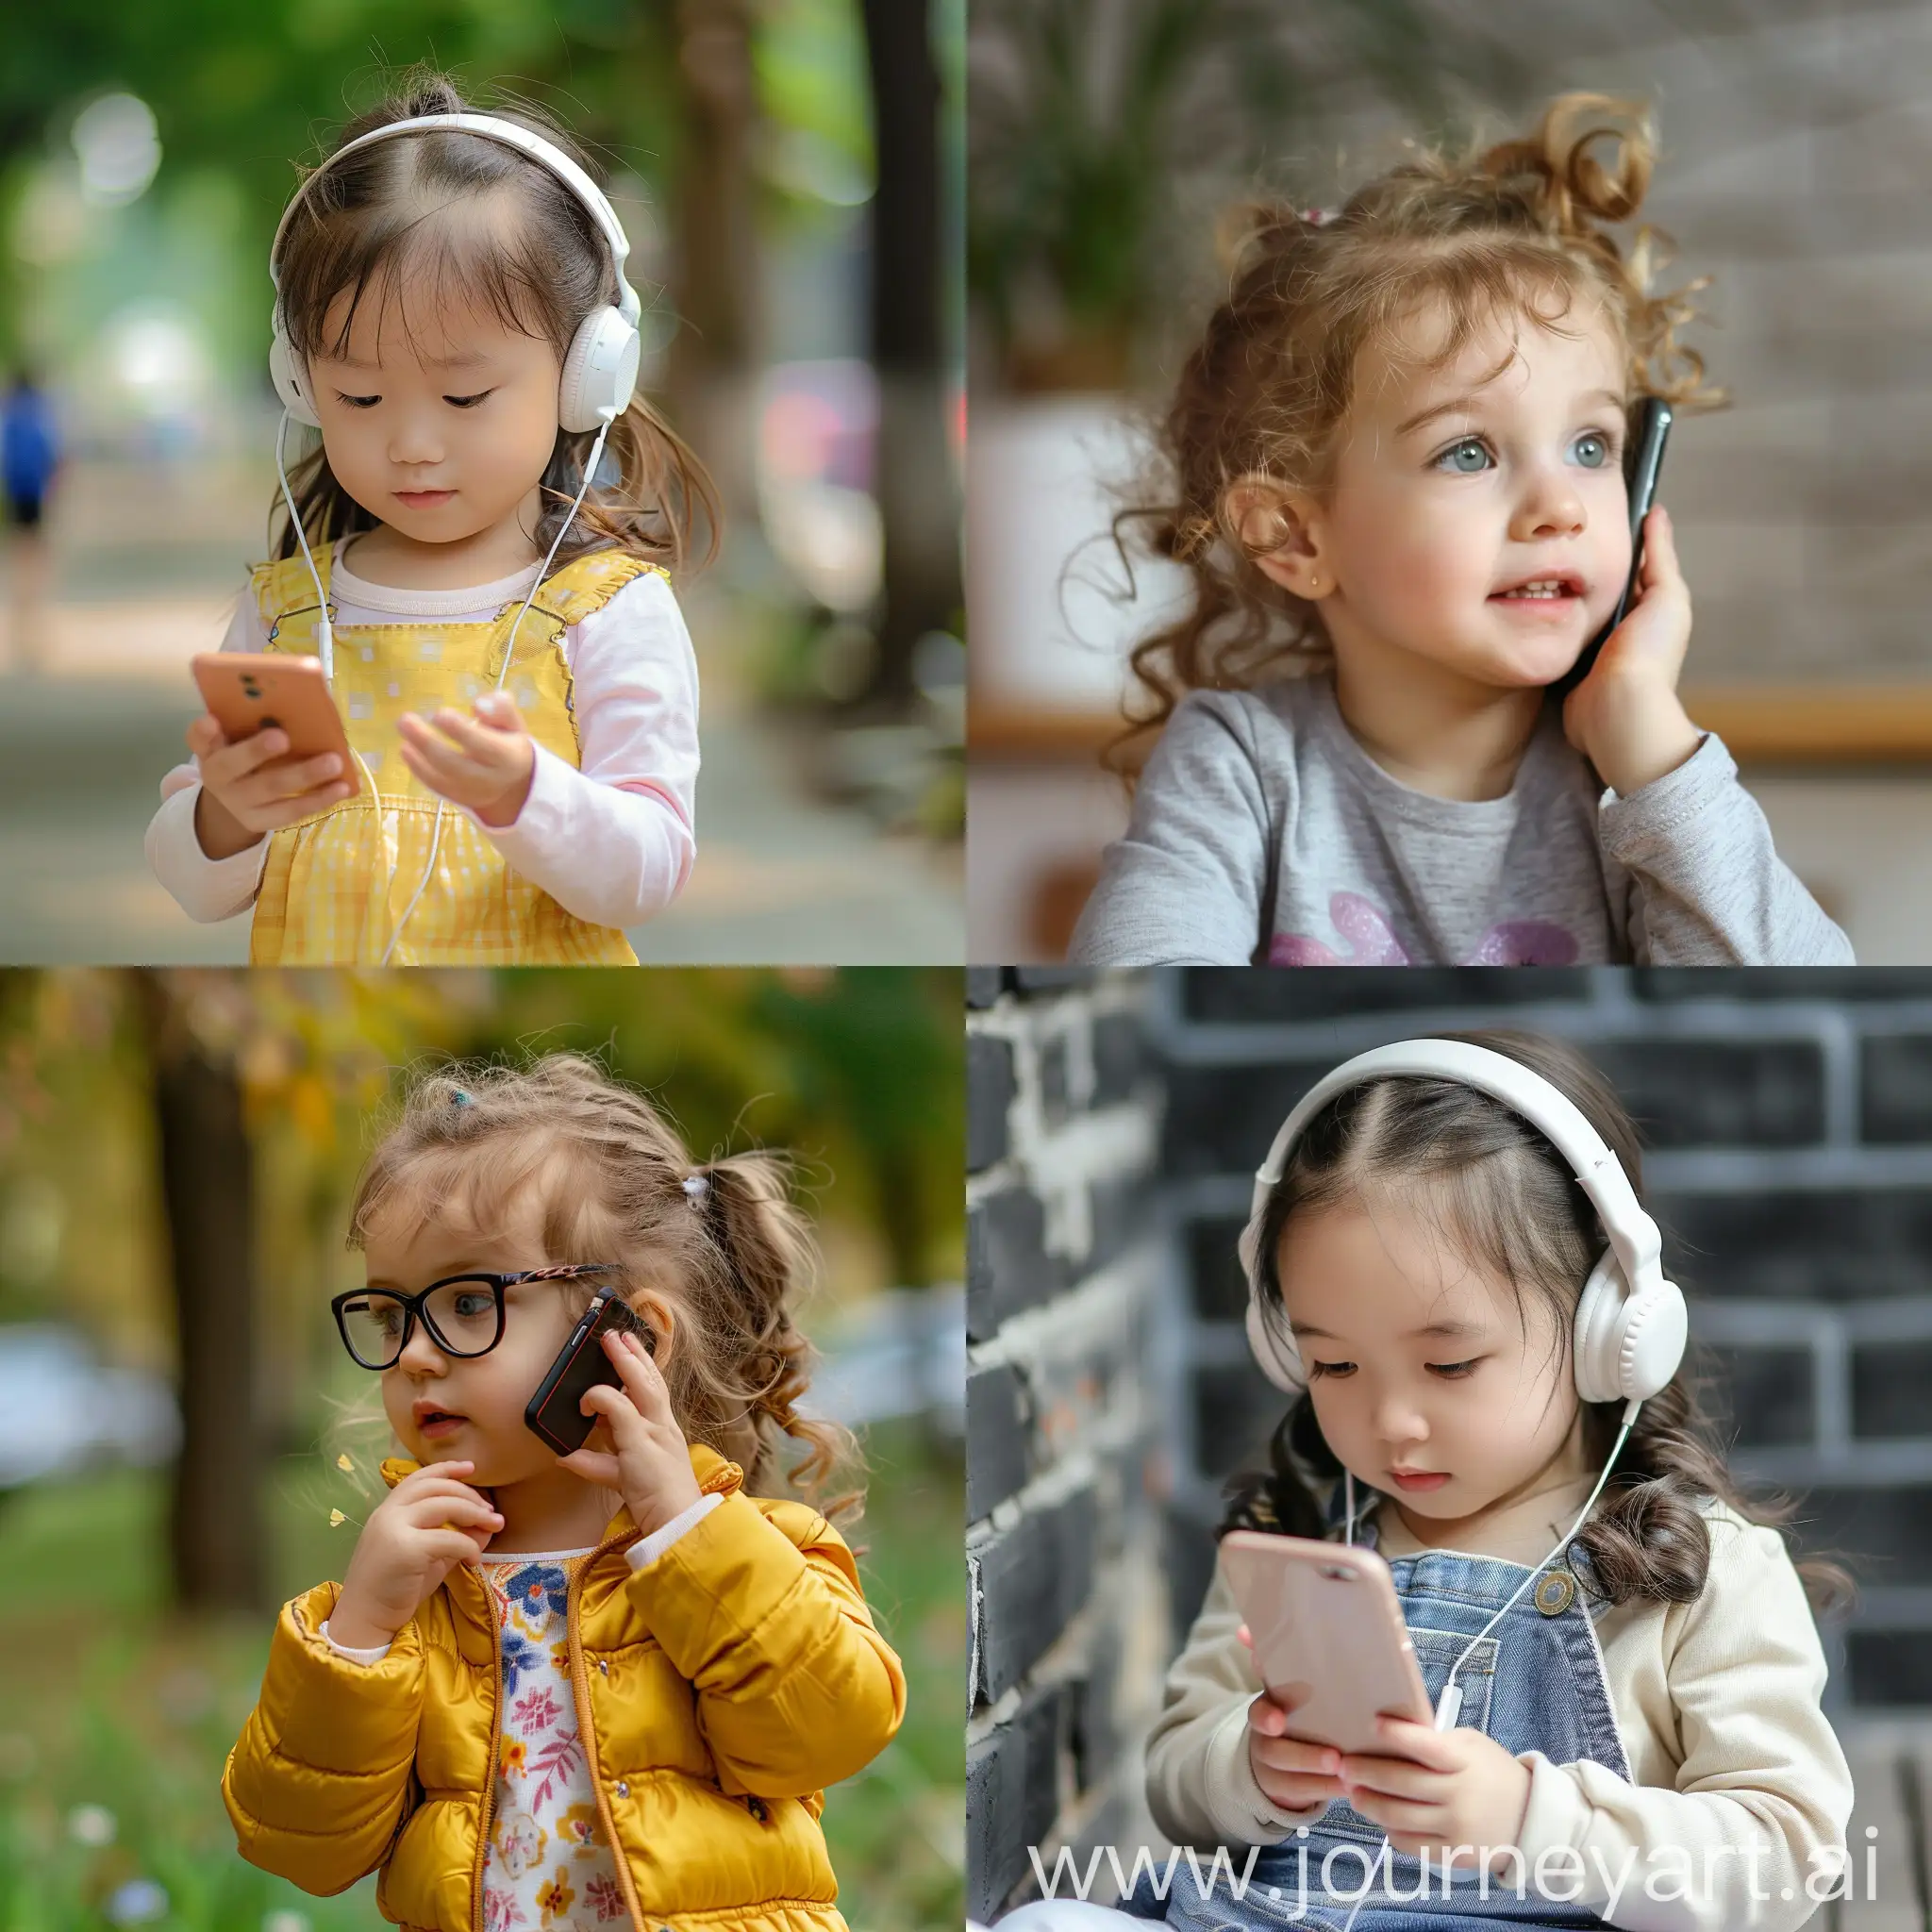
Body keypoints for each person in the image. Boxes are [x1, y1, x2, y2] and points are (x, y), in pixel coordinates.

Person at [999, 1031, 1853, 1930]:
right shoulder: (1301, 1540)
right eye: (1335, 1367)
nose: (1390, 1422)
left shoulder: (1700, 1570)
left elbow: (1786, 1854)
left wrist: (1533, 1822)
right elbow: (1177, 1777)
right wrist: (1244, 1768)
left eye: (1450, 1366)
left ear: (1613, 1330)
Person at [1069, 94, 1851, 967]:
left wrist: (1649, 744)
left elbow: (1797, 1000)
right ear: (1295, 537)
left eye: (1591, 445)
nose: (1560, 506)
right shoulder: (1244, 768)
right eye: (1471, 451)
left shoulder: (1630, 782)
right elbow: (1140, 987)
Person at [222, 1052, 906, 1930]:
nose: (414, 1354)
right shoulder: (413, 1593)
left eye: (470, 1303)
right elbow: (299, 1845)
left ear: (625, 1339)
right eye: (392, 1315)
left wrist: (687, 1536)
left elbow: (832, 1732)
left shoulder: (755, 1547)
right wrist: (356, 1638)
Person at [146, 71, 717, 963]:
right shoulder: (294, 611)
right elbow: (194, 886)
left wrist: (529, 795)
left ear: (587, 374)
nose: (412, 442)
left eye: (464, 394)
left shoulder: (605, 611)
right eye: (362, 397)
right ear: (300, 384)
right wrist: (225, 814)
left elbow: (649, 872)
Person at [1, 367, 61, 675]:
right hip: (35, 495)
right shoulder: (38, 413)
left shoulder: (9, 415)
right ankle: (34, 607)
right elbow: (52, 453)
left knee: (17, 551)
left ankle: (19, 609)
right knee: (36, 552)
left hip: (14, 494)